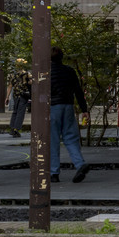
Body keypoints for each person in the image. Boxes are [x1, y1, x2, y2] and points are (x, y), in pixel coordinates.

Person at [50, 46, 90, 184]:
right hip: (68, 106)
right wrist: (84, 110)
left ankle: (54, 173)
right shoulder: (69, 71)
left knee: (53, 140)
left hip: (52, 107)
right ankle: (80, 164)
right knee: (71, 138)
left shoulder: (45, 72)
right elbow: (78, 91)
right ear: (62, 57)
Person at [7, 58, 31, 137]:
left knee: (15, 111)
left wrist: (7, 97)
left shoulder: (13, 75)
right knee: (20, 113)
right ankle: (16, 129)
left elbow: (10, 86)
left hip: (15, 95)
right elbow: (31, 82)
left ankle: (12, 128)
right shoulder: (27, 74)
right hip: (24, 95)